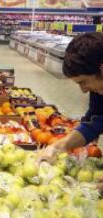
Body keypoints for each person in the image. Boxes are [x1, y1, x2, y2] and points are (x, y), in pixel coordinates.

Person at [39, 33, 103, 165]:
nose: (84, 90)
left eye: (84, 82)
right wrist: (57, 147)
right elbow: (94, 122)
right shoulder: (99, 89)